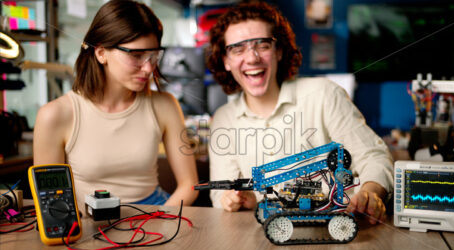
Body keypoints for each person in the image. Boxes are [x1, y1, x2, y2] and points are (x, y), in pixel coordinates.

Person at [206, 2, 393, 224]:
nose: (252, 57)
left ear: (279, 51)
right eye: (238, 49)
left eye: (263, 45)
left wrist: (370, 193)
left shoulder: (324, 94)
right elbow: (220, 194)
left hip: (339, 227)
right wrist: (235, 199)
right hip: (264, 240)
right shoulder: (223, 119)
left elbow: (374, 157)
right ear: (226, 61)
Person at [33, 0, 198, 209]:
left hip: (157, 212)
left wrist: (158, 221)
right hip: (88, 220)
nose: (148, 68)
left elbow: (189, 184)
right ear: (101, 53)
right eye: (136, 56)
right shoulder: (54, 115)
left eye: (153, 55)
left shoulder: (165, 105)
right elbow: (52, 201)